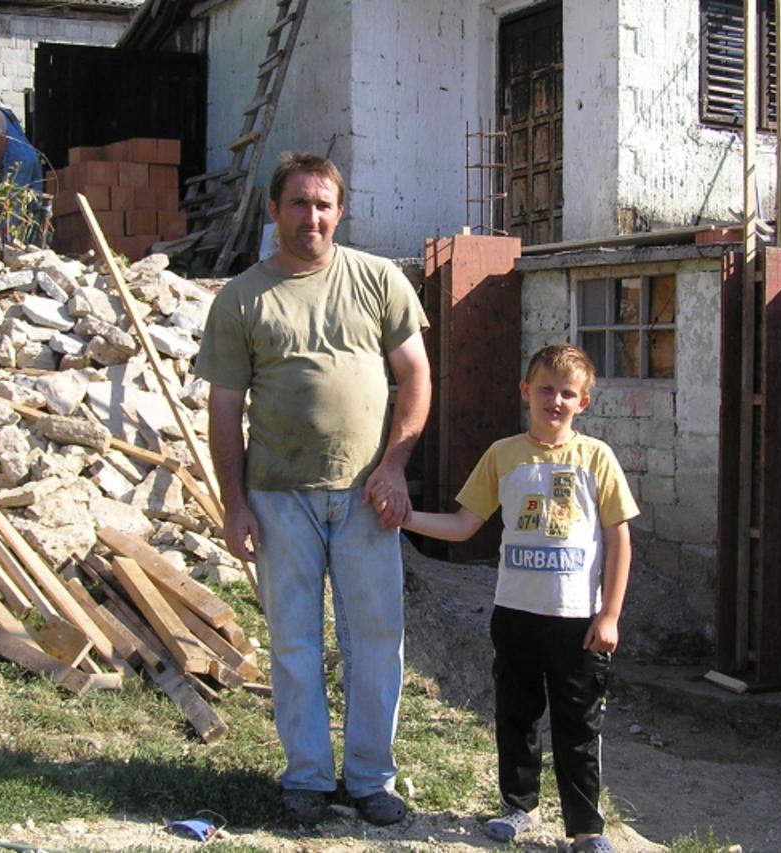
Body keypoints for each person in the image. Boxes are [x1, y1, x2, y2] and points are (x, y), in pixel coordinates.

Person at [196, 152, 430, 827]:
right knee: (294, 641)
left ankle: (368, 778)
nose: (312, 216)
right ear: (274, 210)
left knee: (377, 636)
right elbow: (223, 409)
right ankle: (306, 775)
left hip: (366, 496)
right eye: (298, 203)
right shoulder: (242, 297)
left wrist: (395, 465)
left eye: (324, 203)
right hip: (278, 496)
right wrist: (234, 503)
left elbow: (415, 375)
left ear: (340, 209)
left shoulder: (378, 279)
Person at [400, 343, 638, 853]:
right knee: (516, 716)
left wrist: (611, 614)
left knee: (578, 726)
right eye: (546, 389)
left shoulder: (597, 458)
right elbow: (464, 525)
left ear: (584, 403)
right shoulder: (503, 455)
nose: (555, 400)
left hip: (577, 621)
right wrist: (406, 517)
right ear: (525, 391)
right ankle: (518, 808)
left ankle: (586, 830)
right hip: (514, 617)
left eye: (568, 393)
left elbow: (619, 540)